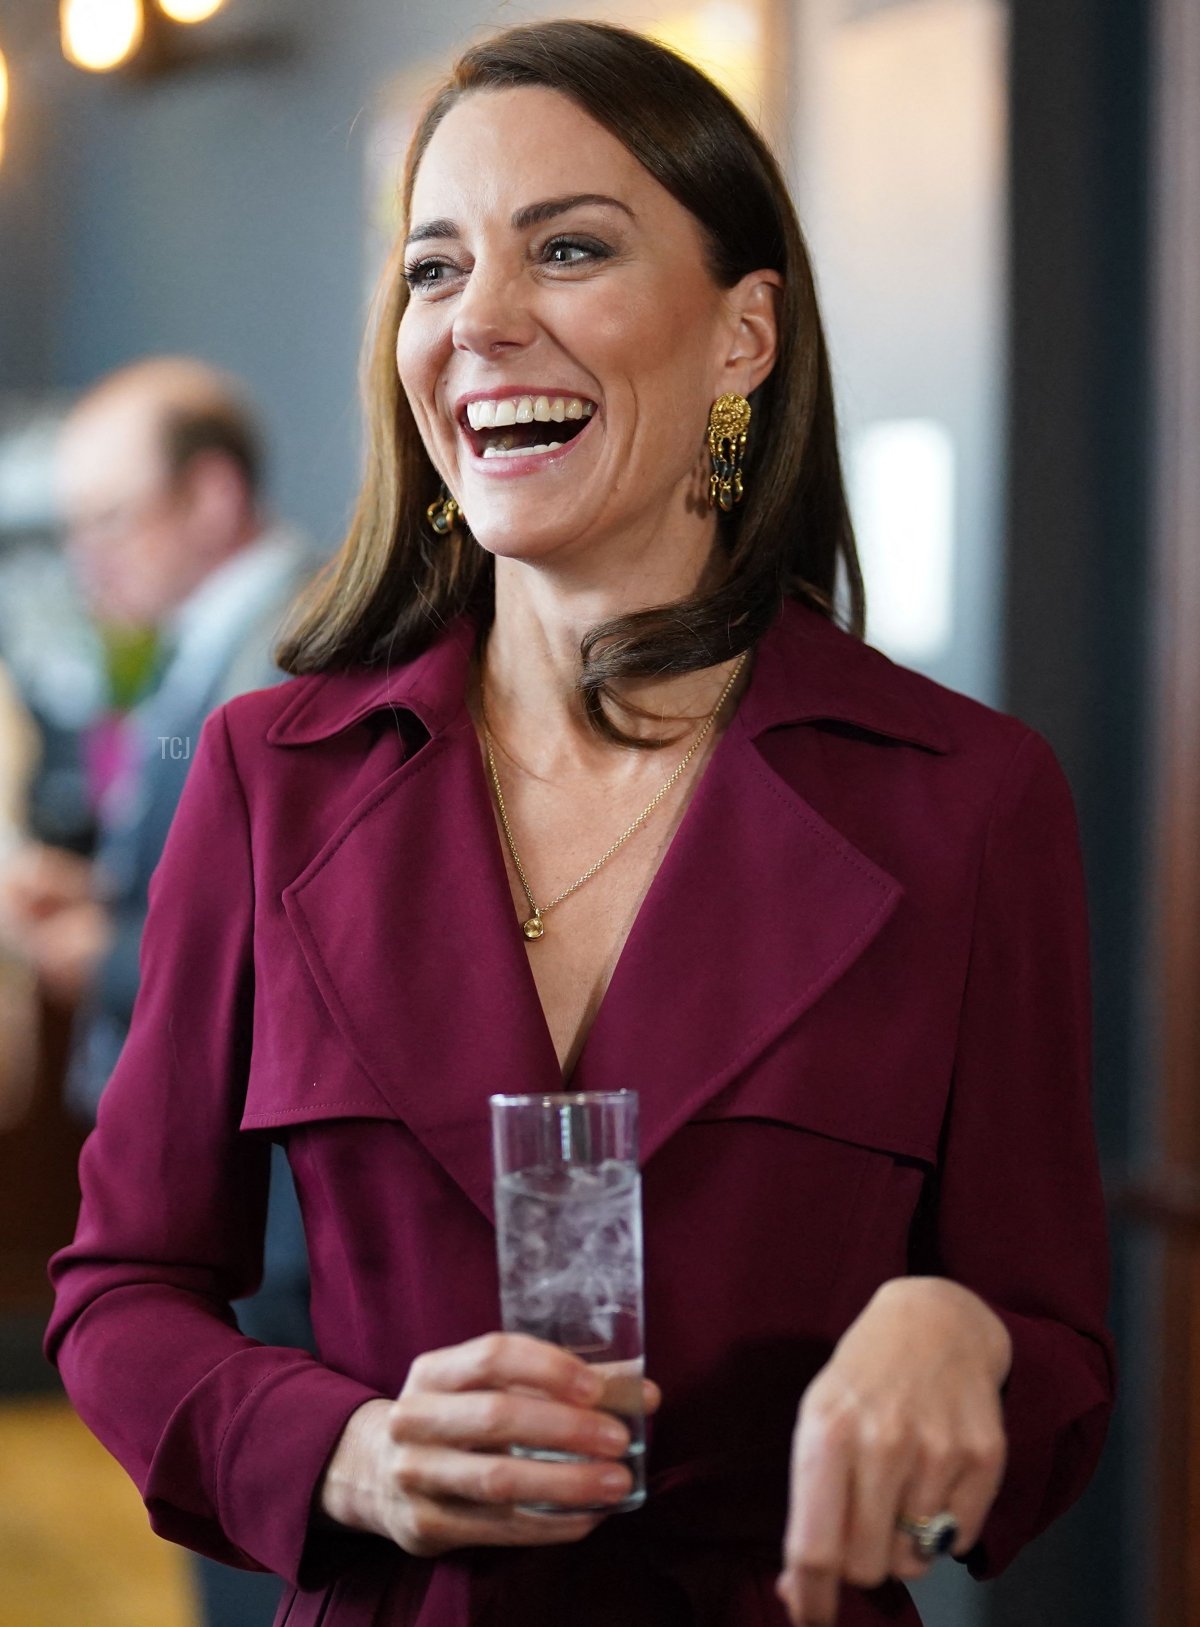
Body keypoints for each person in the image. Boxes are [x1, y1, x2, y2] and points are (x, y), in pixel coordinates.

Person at [44, 23, 1116, 1627]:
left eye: (568, 248)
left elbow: (1059, 1359)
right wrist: (346, 1451)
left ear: (744, 332)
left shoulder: (966, 798)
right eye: (432, 268)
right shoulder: (275, 773)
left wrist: (964, 1335)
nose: (478, 319)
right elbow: (119, 1290)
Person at [5, 358, 317, 1625]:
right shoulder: (214, 641)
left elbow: (287, 946)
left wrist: (99, 951)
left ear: (213, 493)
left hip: (274, 1196)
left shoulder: (291, 644)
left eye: (110, 518)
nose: (88, 560)